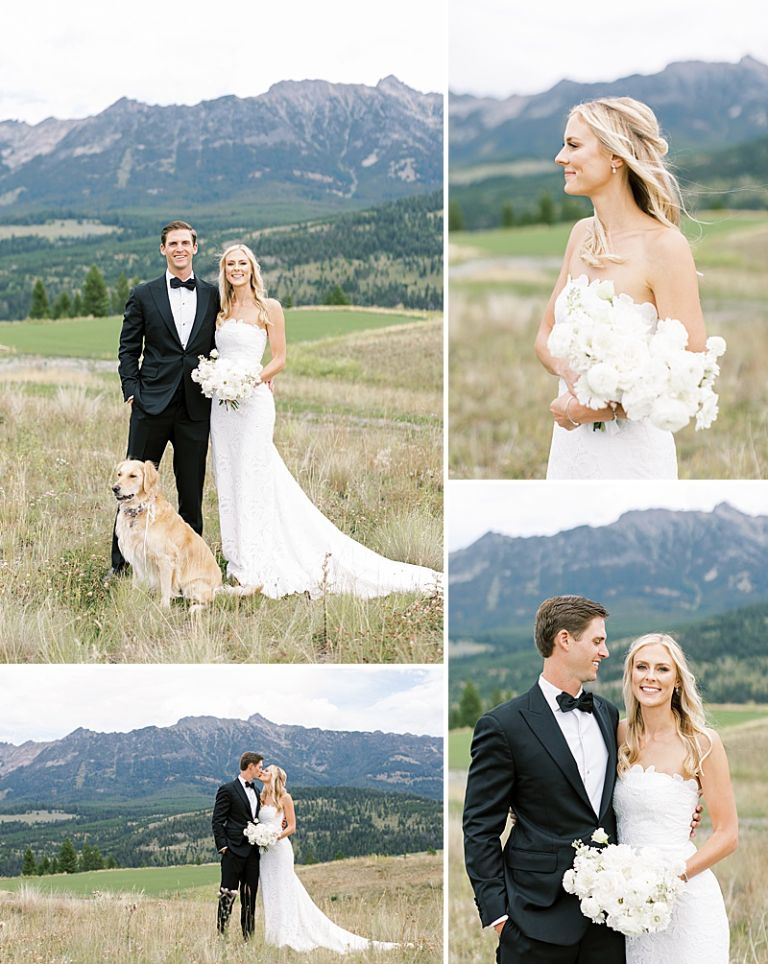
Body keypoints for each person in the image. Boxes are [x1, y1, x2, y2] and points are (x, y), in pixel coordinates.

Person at [208, 243, 441, 598]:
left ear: (252, 269)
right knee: (228, 474)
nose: (236, 269)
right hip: (222, 408)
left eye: (242, 263)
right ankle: (238, 558)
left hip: (252, 401)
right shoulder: (221, 310)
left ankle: (259, 561)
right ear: (224, 271)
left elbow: (280, 358)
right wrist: (219, 379)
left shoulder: (270, 308)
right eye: (230, 265)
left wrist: (252, 379)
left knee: (255, 474)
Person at [534, 97, 706, 480]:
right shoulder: (581, 235)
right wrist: (575, 379)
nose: (560, 158)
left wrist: (602, 408)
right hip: (571, 450)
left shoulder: (665, 247)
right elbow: (544, 336)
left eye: (573, 145)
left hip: (634, 456)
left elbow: (690, 371)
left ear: (616, 156)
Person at [463, 595, 627, 963]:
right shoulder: (503, 725)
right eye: (597, 641)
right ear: (564, 639)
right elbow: (479, 827)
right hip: (534, 919)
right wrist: (498, 915)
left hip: (608, 922)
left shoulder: (607, 714)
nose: (605, 651)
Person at [614, 633, 737, 963]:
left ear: (678, 680)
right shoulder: (619, 734)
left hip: (686, 898)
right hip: (628, 901)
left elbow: (727, 835)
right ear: (630, 674)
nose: (650, 677)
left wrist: (672, 878)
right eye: (642, 667)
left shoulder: (702, 742)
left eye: (662, 669)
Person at [108, 220, 219, 579]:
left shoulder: (212, 295)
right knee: (131, 489)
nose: (179, 249)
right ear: (163, 249)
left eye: (185, 243)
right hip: (150, 406)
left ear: (195, 248)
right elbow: (128, 349)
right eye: (173, 243)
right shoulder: (143, 294)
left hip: (194, 408)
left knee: (191, 491)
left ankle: (190, 568)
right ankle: (120, 566)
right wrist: (132, 392)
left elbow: (220, 345)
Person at [256, 764, 398, 952]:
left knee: (285, 890)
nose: (263, 771)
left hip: (280, 850)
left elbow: (291, 826)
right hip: (265, 854)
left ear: (275, 776)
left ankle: (287, 936)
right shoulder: (261, 797)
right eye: (263, 769)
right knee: (270, 891)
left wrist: (274, 837)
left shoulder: (285, 798)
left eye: (267, 770)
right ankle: (273, 936)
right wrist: (259, 836)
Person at [211, 751, 266, 939]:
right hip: (232, 852)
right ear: (250, 766)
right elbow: (217, 821)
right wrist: (223, 847)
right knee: (226, 898)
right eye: (259, 767)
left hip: (252, 854)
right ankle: (221, 937)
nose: (261, 771)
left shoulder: (257, 791)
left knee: (250, 899)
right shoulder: (227, 790)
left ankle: (248, 939)